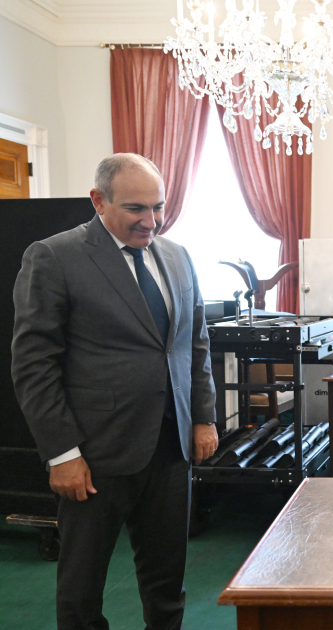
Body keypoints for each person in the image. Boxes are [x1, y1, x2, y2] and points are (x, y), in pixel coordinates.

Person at [11, 153, 218, 630]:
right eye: (136, 210)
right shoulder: (54, 256)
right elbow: (33, 364)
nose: (151, 221)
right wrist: (62, 453)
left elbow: (195, 343)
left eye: (158, 208)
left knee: (168, 584)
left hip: (170, 448)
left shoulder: (178, 256)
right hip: (94, 454)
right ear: (98, 201)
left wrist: (203, 417)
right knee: (81, 593)